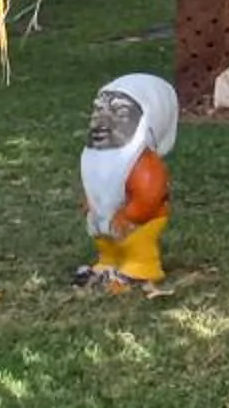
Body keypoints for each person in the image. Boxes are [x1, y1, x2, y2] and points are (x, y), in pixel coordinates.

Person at [76, 73, 178, 289]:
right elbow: (94, 180)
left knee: (135, 241)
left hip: (137, 220)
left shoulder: (142, 161)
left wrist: (131, 214)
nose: (102, 120)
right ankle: (109, 261)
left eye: (119, 112)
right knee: (107, 239)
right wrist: (90, 201)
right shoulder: (94, 155)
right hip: (105, 218)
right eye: (99, 110)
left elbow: (150, 194)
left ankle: (142, 266)